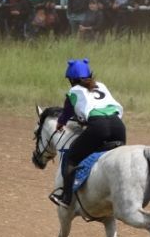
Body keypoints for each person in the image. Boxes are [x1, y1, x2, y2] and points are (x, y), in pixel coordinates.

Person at [49, 58, 127, 208]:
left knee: (71, 156)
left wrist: (60, 124)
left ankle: (66, 197)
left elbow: (65, 115)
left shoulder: (73, 92)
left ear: (71, 80)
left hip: (99, 127)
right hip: (119, 127)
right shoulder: (101, 86)